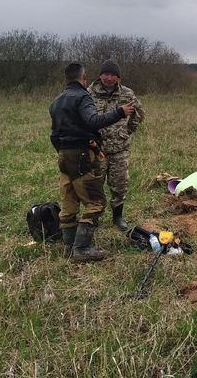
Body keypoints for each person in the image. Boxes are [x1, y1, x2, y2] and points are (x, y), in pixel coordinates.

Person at [49, 63, 134, 262]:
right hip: (82, 155)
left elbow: (54, 135)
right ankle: (82, 248)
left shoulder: (57, 101)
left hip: (64, 155)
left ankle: (68, 247)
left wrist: (63, 152)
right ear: (84, 78)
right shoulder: (84, 97)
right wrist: (120, 112)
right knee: (96, 202)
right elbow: (93, 121)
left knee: (69, 201)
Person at [88, 59, 145, 231]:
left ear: (118, 77)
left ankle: (117, 217)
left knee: (120, 184)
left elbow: (139, 113)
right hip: (96, 148)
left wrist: (127, 131)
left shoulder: (127, 94)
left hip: (119, 149)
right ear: (100, 75)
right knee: (95, 185)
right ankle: (93, 217)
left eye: (113, 75)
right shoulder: (89, 93)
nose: (109, 78)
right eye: (106, 74)